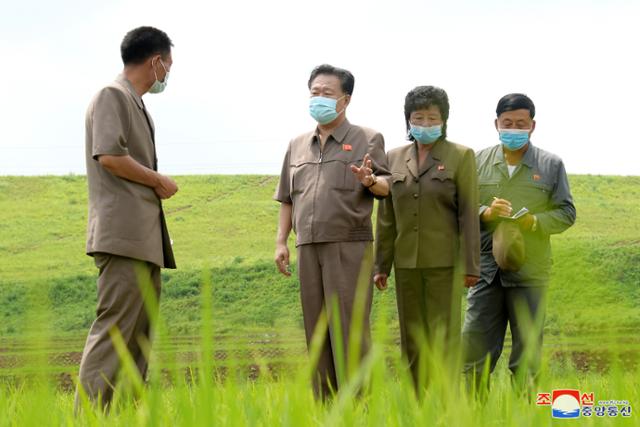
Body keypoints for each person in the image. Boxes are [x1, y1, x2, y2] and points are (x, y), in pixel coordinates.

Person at [273, 64, 390, 399]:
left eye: (328, 93)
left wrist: (369, 181)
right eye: (315, 92)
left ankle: (359, 405)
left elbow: (386, 186)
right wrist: (281, 241)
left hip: (348, 246)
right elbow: (286, 197)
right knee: (317, 329)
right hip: (307, 246)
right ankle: (326, 407)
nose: (319, 98)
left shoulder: (367, 138)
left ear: (345, 100)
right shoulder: (297, 145)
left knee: (349, 329)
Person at [76, 26, 178, 409]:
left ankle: (122, 414)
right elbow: (110, 156)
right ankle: (88, 415)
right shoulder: (111, 95)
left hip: (143, 239)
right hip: (122, 236)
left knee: (138, 335)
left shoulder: (135, 103)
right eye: (168, 64)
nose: (168, 73)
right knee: (115, 330)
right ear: (155, 61)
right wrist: (158, 180)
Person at [462, 93, 576, 395]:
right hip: (486, 272)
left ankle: (526, 416)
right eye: (507, 123)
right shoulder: (476, 161)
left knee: (527, 356)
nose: (513, 129)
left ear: (533, 126)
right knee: (474, 352)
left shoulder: (551, 165)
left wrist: (534, 222)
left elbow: (567, 212)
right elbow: (458, 208)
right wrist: (484, 212)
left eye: (520, 124)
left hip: (531, 274)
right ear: (496, 123)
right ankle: (472, 415)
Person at [373, 86, 480, 392]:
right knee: (411, 335)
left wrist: (470, 265)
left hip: (445, 263)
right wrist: (382, 264)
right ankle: (416, 400)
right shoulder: (393, 158)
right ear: (408, 121)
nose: (425, 123)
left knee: (443, 334)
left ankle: (446, 400)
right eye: (418, 117)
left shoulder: (460, 156)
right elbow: (386, 217)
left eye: (432, 117)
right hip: (406, 263)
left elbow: (468, 214)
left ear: (444, 120)